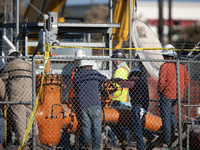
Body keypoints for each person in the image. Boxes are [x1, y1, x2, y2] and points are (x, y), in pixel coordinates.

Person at [1, 49, 41, 150]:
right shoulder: (28, 64)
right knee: (31, 120)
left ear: (9, 58)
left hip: (17, 97)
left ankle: (23, 145)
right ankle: (36, 143)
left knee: (20, 121)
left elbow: (2, 82)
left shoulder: (9, 66)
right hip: (30, 96)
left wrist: (4, 98)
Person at [113, 68, 156, 150]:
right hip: (142, 107)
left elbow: (124, 84)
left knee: (137, 128)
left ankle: (140, 147)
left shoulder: (135, 82)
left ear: (132, 75)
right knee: (135, 125)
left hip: (137, 107)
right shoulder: (142, 82)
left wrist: (116, 80)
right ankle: (150, 136)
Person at [157, 44, 190, 148]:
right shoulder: (181, 66)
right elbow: (187, 80)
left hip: (166, 94)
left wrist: (160, 91)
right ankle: (175, 125)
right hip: (177, 95)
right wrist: (180, 89)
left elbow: (161, 82)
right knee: (169, 110)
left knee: (165, 117)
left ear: (166, 56)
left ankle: (167, 141)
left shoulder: (164, 66)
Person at [73, 60, 107, 150]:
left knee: (86, 126)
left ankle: (88, 143)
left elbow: (75, 89)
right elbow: (105, 79)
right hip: (95, 103)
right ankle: (96, 147)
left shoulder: (77, 76)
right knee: (97, 128)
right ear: (89, 66)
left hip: (83, 105)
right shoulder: (93, 73)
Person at [109, 49, 131, 148]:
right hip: (124, 100)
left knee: (113, 123)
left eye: (114, 59)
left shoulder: (120, 70)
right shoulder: (125, 68)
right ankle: (125, 144)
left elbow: (115, 86)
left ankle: (113, 143)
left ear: (117, 59)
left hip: (119, 101)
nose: (113, 61)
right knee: (122, 125)